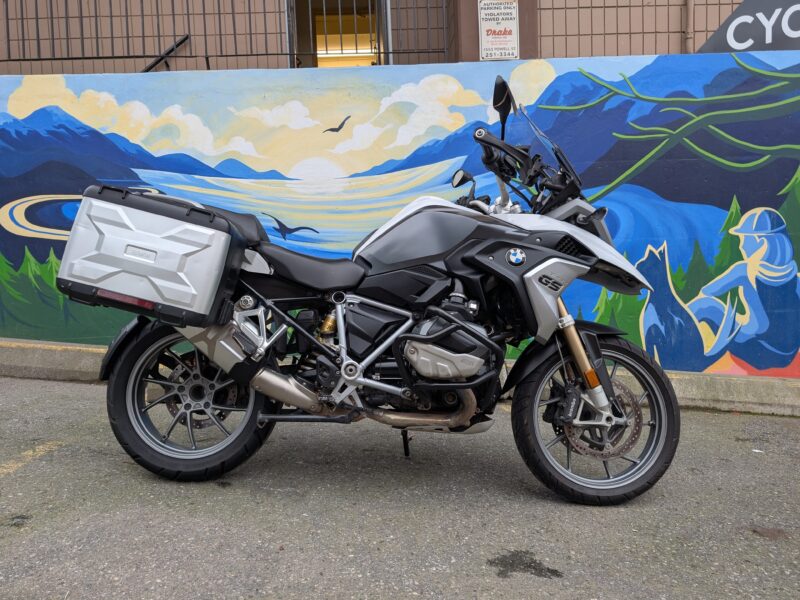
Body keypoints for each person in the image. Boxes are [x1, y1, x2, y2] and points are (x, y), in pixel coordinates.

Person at [688, 208, 800, 369]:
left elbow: (706, 292)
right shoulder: (796, 278)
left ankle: (681, 350)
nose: (741, 246)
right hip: (786, 356)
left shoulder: (744, 271)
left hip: (755, 349)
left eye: (745, 239)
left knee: (703, 305)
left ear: (761, 243)